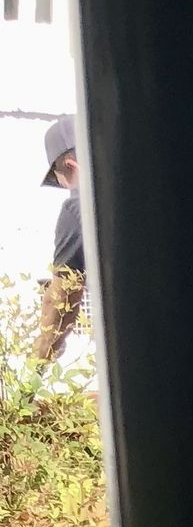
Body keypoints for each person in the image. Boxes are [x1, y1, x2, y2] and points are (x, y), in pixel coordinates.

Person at [35, 113, 85, 367]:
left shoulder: (78, 209)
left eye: (58, 177)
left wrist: (30, 381)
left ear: (70, 166)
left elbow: (63, 300)